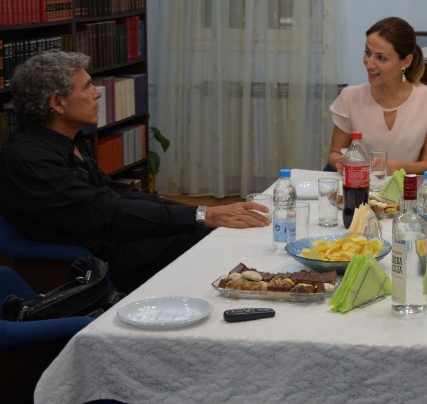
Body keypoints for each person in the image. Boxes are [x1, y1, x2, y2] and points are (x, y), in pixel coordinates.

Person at [0, 51, 270, 293]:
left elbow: (114, 192)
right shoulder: (30, 160)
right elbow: (108, 213)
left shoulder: (69, 140)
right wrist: (201, 216)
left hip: (113, 238)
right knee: (210, 235)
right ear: (57, 103)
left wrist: (200, 211)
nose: (97, 93)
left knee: (217, 228)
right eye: (87, 87)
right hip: (92, 260)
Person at [327, 16, 427, 175]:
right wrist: (341, 162)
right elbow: (334, 154)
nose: (369, 63)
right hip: (362, 187)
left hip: (409, 188)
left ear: (406, 62)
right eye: (367, 53)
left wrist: (393, 167)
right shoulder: (349, 97)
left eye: (381, 58)